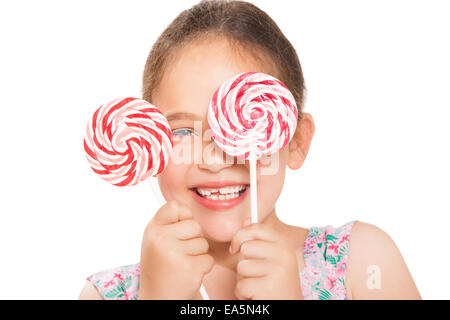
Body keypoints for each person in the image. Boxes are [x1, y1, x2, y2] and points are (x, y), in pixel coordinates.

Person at [79, 0, 421, 300]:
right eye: (183, 130)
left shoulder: (362, 263)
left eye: (246, 122)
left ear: (296, 141)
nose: (213, 159)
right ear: (148, 139)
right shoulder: (103, 294)